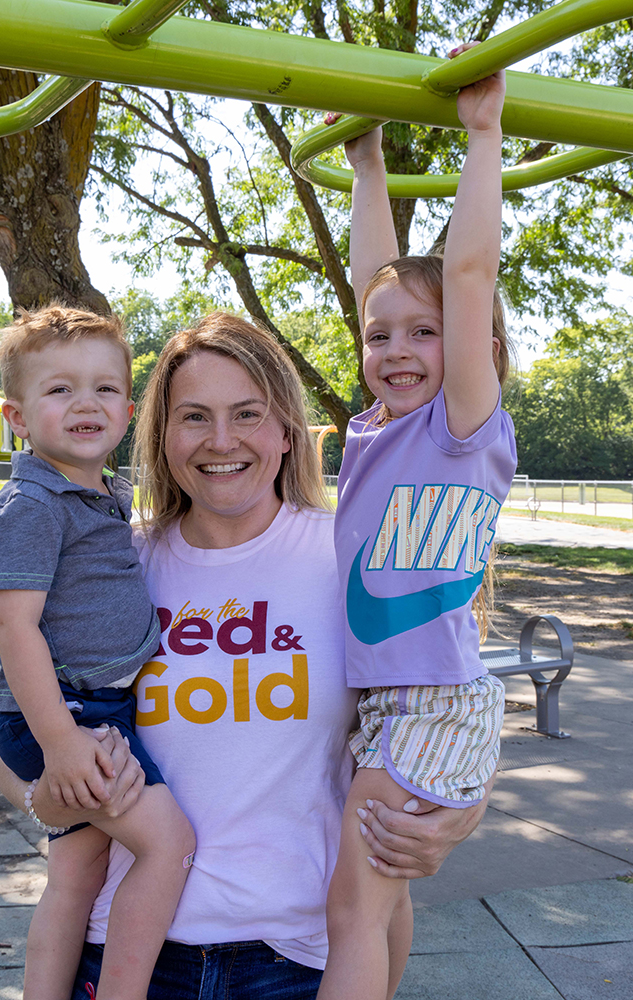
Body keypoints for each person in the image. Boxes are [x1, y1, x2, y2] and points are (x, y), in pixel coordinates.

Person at [0, 310, 497, 1000]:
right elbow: (14, 724)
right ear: (161, 434)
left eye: (247, 414)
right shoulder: (112, 560)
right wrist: (46, 794)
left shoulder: (351, 559)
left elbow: (445, 702)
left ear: (287, 431)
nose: (221, 441)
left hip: (292, 958)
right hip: (129, 957)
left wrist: (464, 809)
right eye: (194, 416)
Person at [318, 52, 515, 1000]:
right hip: (391, 701)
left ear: (474, 347)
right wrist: (367, 165)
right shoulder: (378, 432)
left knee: (352, 910)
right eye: (380, 335)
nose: (396, 349)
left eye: (424, 333)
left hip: (431, 701)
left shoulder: (460, 428)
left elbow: (468, 272)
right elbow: (375, 278)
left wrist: (483, 136)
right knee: (382, 905)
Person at [0, 305, 195, 1000]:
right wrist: (63, 744)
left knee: (76, 871)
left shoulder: (97, 496)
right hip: (66, 715)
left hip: (88, 708)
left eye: (102, 388)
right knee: (167, 844)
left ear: (128, 411)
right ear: (16, 416)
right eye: (59, 389)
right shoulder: (30, 507)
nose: (85, 403)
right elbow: (15, 631)